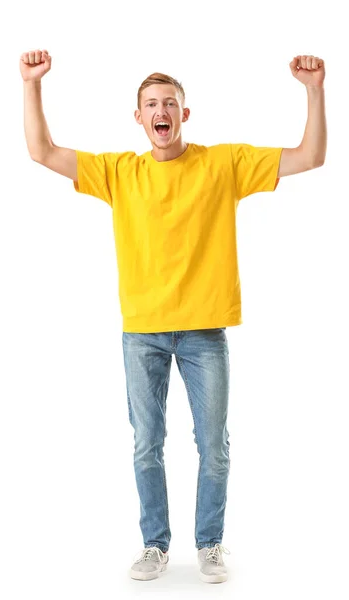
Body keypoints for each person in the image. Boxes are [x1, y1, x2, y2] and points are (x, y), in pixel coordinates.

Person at [20, 49, 326, 583]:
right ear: (138, 117)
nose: (161, 111)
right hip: (142, 332)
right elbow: (42, 151)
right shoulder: (119, 172)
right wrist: (31, 85)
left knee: (214, 445)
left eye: (170, 103)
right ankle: (154, 544)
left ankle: (210, 543)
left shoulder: (223, 164)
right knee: (146, 443)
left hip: (205, 331)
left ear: (185, 114)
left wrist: (314, 90)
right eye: (151, 105)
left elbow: (310, 156)